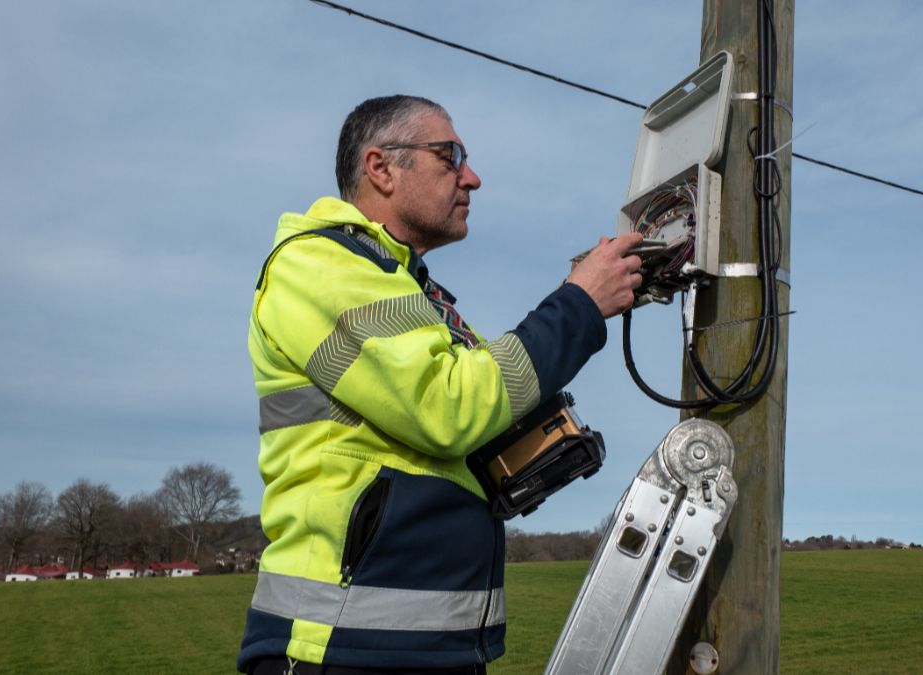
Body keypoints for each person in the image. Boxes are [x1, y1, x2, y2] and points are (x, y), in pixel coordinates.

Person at [238, 95, 643, 675]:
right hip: (340, 648)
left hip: (427, 647)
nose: (471, 178)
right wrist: (578, 305)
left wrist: (581, 304)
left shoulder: (406, 289)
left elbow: (482, 408)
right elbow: (448, 407)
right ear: (381, 168)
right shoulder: (318, 265)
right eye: (450, 156)